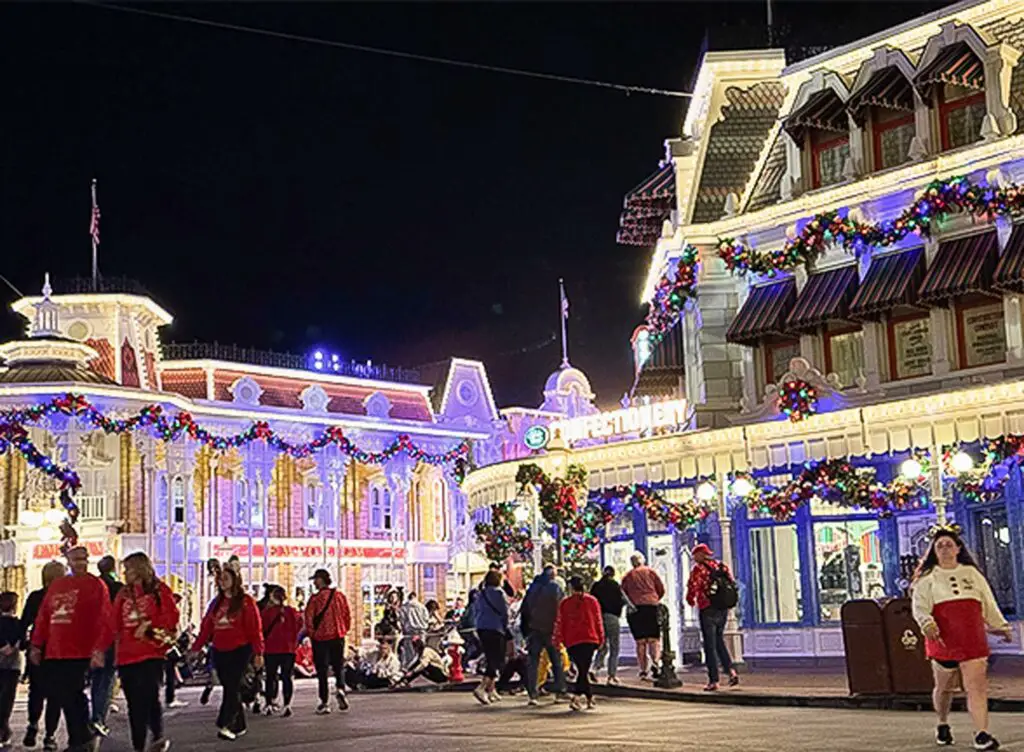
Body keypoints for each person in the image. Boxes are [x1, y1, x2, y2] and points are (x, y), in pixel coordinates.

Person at [912, 526, 1011, 751]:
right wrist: (926, 623)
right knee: (944, 688)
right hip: (943, 638)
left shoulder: (972, 574)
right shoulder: (928, 579)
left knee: (976, 687)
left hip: (971, 637)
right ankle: (943, 722)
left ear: (958, 548)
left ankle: (981, 733)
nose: (945, 549)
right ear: (934, 551)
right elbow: (919, 607)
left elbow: (987, 601)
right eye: (940, 546)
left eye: (949, 545)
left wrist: (1000, 626)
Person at [29, 546, 114, 752]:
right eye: (76, 559)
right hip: (56, 650)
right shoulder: (58, 585)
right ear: (69, 561)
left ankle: (80, 738)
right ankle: (79, 737)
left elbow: (105, 619)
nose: (80, 563)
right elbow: (44, 616)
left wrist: (99, 648)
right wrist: (36, 645)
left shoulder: (95, 585)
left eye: (83, 559)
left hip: (80, 649)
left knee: (73, 692)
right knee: (63, 694)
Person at [112, 552, 178, 752]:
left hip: (151, 653)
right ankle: (139, 745)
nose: (125, 573)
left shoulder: (159, 591)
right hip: (126, 656)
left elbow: (170, 617)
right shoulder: (123, 594)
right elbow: (113, 622)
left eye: (128, 568)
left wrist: (149, 626)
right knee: (134, 703)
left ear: (139, 568)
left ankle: (157, 735)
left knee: (149, 696)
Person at [192, 566, 264, 741]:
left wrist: (258, 652)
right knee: (229, 686)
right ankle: (239, 725)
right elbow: (207, 626)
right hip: (219, 649)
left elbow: (255, 628)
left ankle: (225, 723)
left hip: (240, 650)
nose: (222, 581)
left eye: (225, 578)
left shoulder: (246, 601)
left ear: (234, 580)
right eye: (220, 579)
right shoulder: (216, 603)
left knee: (232, 686)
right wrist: (196, 647)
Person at [20, 560, 64, 751]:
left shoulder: (35, 597)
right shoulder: (64, 598)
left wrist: (25, 645)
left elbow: (25, 622)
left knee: (36, 692)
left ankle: (32, 724)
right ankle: (50, 735)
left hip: (38, 650)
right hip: (59, 651)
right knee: (55, 695)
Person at [686, 543, 739, 691]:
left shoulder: (699, 569)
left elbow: (693, 586)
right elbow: (731, 583)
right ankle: (731, 671)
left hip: (707, 607)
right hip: (722, 608)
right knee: (719, 640)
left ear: (701, 555)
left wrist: (690, 600)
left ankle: (714, 680)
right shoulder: (721, 566)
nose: (694, 558)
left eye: (695, 555)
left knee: (709, 645)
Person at [304, 568, 352, 715]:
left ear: (321, 579)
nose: (314, 582)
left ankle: (324, 702)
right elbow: (347, 615)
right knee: (338, 666)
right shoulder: (339, 596)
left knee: (322, 670)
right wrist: (344, 630)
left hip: (320, 638)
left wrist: (312, 634)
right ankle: (340, 688)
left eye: (315, 579)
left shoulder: (315, 599)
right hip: (337, 636)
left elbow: (309, 618)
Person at [555, 575, 604, 712]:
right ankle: (584, 697)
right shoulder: (592, 601)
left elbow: (561, 623)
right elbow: (598, 620)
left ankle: (582, 697)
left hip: (572, 640)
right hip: (589, 638)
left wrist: (559, 639)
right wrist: (601, 637)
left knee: (582, 669)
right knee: (583, 670)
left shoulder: (565, 603)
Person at [523, 565, 566, 707]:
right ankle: (560, 691)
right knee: (556, 661)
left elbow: (525, 609)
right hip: (550, 628)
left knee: (533, 662)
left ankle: (532, 694)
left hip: (534, 628)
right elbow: (561, 607)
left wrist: (526, 629)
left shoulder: (533, 588)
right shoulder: (555, 588)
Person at [90, 554, 124, 738]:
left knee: (96, 679)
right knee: (106, 678)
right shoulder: (117, 588)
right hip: (110, 638)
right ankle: (98, 717)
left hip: (92, 638)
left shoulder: (94, 586)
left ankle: (95, 714)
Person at [620, 552, 665, 680]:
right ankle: (656, 664)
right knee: (654, 639)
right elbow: (661, 589)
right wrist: (654, 598)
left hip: (635, 609)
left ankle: (643, 670)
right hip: (651, 606)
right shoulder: (651, 572)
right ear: (643, 560)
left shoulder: (628, 576)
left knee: (640, 642)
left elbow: (623, 593)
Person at [261, 586, 300, 717]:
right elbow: (299, 626)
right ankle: (287, 704)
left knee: (271, 677)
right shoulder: (292, 612)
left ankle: (269, 703)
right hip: (288, 649)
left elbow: (261, 629)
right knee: (287, 677)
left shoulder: (267, 613)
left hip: (271, 649)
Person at [472, 570, 508, 705]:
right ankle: (482, 687)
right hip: (495, 627)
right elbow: (504, 612)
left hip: (482, 627)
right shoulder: (499, 593)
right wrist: (505, 626)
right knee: (496, 659)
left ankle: (491, 689)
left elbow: (476, 610)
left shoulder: (480, 594)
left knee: (489, 656)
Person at [590, 566, 624, 685]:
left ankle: (594, 668)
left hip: (599, 617)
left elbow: (591, 601)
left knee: (602, 646)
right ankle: (611, 676)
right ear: (613, 574)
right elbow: (623, 600)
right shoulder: (615, 586)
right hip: (613, 617)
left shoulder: (596, 586)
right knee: (614, 647)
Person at [0, 592, 24, 749]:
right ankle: (3, 729)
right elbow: (23, 644)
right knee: (7, 699)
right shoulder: (19, 624)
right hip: (13, 665)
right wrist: (12, 645)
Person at [199, 558, 223, 707]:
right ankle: (210, 685)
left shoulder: (242, 601)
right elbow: (207, 621)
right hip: (218, 641)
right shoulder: (215, 603)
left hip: (235, 644)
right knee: (215, 669)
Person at [164, 594, 188, 710]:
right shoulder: (168, 612)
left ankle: (170, 697)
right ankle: (170, 698)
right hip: (166, 646)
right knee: (169, 672)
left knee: (170, 671)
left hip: (166, 645)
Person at [398, 592, 430, 668]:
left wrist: (403, 628)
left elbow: (402, 620)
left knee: (410, 652)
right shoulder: (422, 607)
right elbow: (426, 618)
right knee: (421, 651)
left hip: (409, 632)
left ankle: (409, 667)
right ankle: (420, 666)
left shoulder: (404, 607)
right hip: (421, 631)